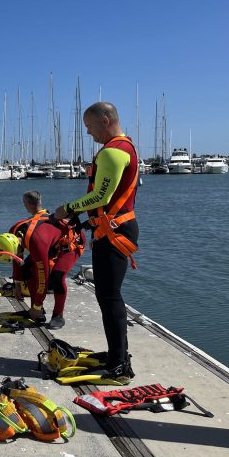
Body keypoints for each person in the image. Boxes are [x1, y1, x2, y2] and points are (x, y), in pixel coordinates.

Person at [53, 102, 139, 383]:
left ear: (105, 120)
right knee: (107, 296)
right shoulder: (124, 147)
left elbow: (101, 197)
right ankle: (118, 354)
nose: (88, 133)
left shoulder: (114, 152)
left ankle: (119, 366)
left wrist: (68, 208)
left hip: (116, 232)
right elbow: (110, 200)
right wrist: (88, 222)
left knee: (110, 297)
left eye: (89, 126)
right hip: (112, 228)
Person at [0, 190, 84, 330]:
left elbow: (43, 277)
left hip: (71, 243)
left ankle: (58, 315)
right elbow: (17, 258)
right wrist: (17, 284)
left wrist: (37, 304)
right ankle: (38, 313)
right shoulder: (13, 230)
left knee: (56, 277)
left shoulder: (36, 241)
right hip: (51, 244)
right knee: (27, 270)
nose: (18, 253)